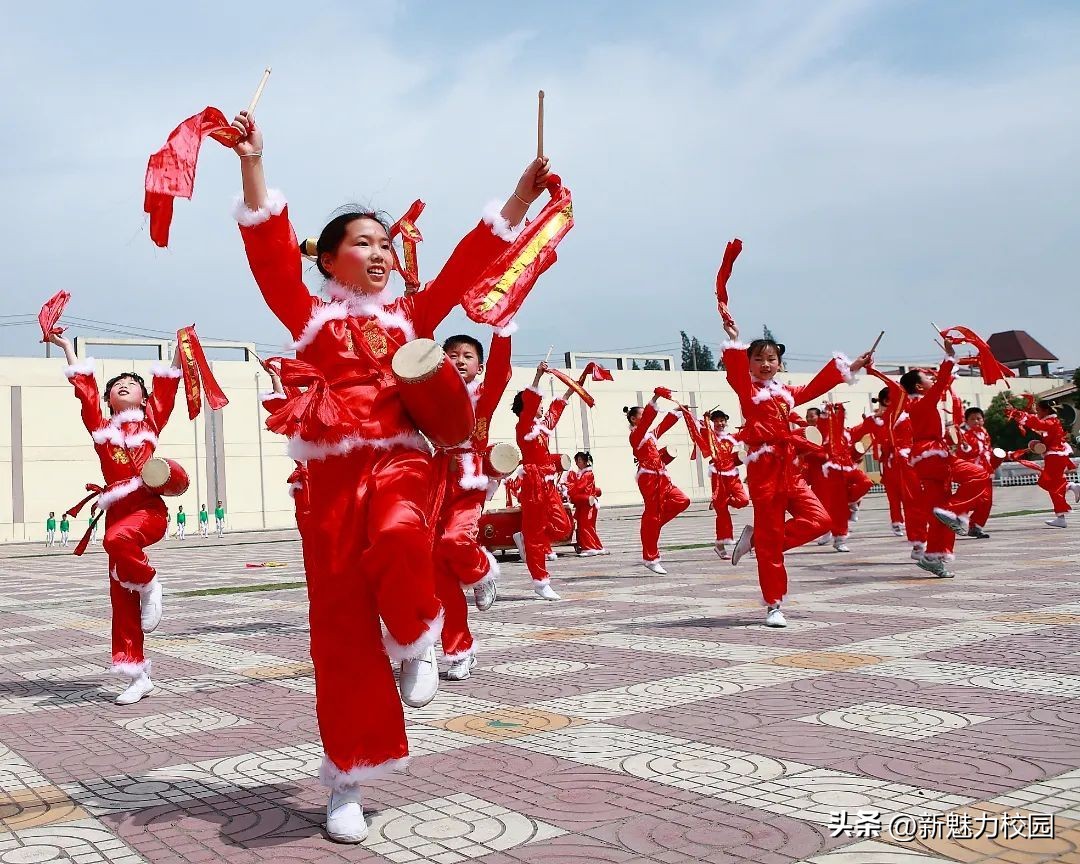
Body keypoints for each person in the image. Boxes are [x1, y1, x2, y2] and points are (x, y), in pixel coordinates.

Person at [228, 107, 555, 842]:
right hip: (326, 486)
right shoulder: (308, 319)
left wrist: (518, 198)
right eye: (363, 244)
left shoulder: (412, 315)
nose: (380, 255)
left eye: (385, 245)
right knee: (339, 630)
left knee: (405, 534)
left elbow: (471, 261)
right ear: (330, 260)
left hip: (404, 458)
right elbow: (266, 251)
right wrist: (252, 161)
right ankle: (349, 779)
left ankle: (418, 633)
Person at [47, 331, 182, 705]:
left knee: (117, 541)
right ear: (108, 401)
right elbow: (84, 390)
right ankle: (137, 675)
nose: (124, 387)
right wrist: (66, 348)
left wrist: (180, 349)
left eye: (132, 384)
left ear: (143, 397)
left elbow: (169, 384)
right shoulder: (101, 431)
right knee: (121, 598)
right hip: (116, 511)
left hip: (147, 509)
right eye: (116, 386)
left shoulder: (151, 423)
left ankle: (152, 582)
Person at [720, 303, 871, 627]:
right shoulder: (748, 392)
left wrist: (853, 366)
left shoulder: (787, 393)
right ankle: (774, 604)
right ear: (749, 363)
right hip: (764, 472)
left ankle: (758, 540)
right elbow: (734, 373)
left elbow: (816, 387)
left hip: (790, 470)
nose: (765, 364)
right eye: (758, 359)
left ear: (779, 363)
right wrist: (734, 340)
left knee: (821, 520)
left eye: (771, 359)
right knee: (774, 538)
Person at [434, 332, 512, 682]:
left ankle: (481, 571)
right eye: (451, 355)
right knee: (439, 577)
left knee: (455, 541)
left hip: (468, 484)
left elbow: (502, 370)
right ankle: (459, 652)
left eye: (467, 356)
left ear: (478, 367)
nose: (459, 360)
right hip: (434, 485)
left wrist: (502, 328)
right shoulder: (428, 396)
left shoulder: (484, 396)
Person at [511, 362, 579, 599]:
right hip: (533, 482)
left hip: (548, 481)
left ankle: (526, 538)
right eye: (537, 405)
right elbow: (532, 404)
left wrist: (573, 388)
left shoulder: (541, 428)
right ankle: (540, 581)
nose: (541, 408)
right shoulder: (523, 426)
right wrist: (538, 375)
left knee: (564, 526)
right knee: (536, 532)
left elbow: (555, 411)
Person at [900, 344, 960, 577]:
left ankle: (935, 555)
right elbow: (942, 383)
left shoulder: (916, 403)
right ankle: (961, 513)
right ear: (918, 386)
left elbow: (942, 385)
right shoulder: (921, 402)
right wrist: (949, 357)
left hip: (933, 453)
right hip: (931, 454)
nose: (931, 380)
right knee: (976, 476)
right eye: (927, 377)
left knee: (941, 509)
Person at [625, 389, 691, 574]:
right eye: (641, 414)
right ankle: (650, 557)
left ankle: (653, 525)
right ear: (633, 419)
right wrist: (655, 398)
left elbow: (663, 425)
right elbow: (649, 420)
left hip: (662, 476)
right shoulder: (636, 436)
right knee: (652, 514)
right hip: (648, 477)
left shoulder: (650, 435)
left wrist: (679, 410)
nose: (645, 417)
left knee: (682, 500)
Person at [1007, 401, 1080, 527]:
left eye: (1039, 410)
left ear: (1046, 411)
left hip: (1055, 457)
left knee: (1048, 483)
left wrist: (1018, 413)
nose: (1037, 413)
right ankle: (1063, 510)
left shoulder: (1050, 422)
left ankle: (1068, 496)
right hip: (1056, 456)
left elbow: (1036, 423)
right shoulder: (1052, 422)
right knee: (1052, 485)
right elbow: (1036, 423)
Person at [695, 410, 748, 559]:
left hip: (732, 474)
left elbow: (747, 434)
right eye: (717, 421)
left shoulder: (731, 437)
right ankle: (720, 545)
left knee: (743, 500)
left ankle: (720, 501)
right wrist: (705, 419)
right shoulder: (711, 437)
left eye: (723, 420)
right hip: (718, 476)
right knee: (722, 512)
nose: (720, 423)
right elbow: (703, 431)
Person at [565, 451, 607, 556]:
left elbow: (579, 487)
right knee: (588, 526)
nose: (578, 463)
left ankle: (589, 547)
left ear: (585, 462)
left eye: (579, 461)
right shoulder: (585, 474)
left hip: (587, 504)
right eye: (577, 461)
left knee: (585, 526)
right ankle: (596, 546)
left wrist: (568, 492)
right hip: (586, 503)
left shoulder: (587, 475)